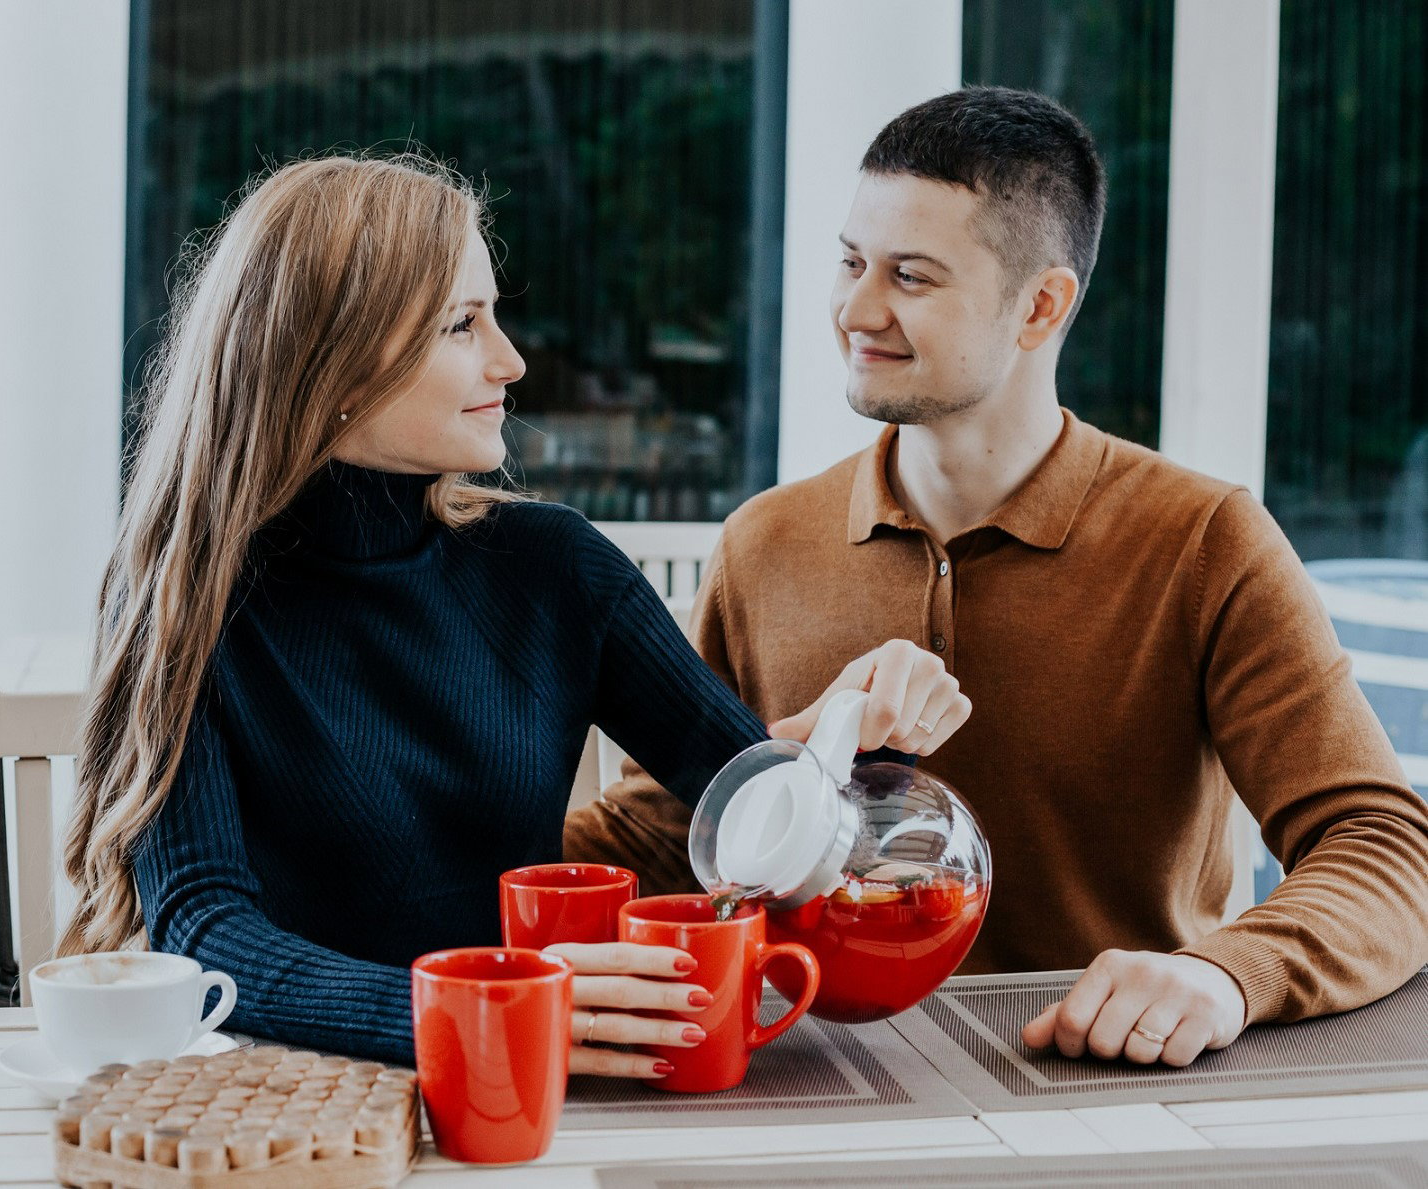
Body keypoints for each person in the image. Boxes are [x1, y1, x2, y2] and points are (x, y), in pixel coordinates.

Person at [566, 87, 1428, 1068]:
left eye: (912, 276)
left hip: (1111, 1080)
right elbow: (642, 848)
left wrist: (1230, 972)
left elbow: (1383, 843)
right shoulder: (763, 542)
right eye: (849, 262)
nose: (855, 309)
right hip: (799, 1071)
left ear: (1042, 305)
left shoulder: (1205, 540)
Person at [58, 154, 965, 1069]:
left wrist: (848, 746)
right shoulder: (182, 599)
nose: (512, 359)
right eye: (462, 323)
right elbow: (207, 934)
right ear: (329, 367)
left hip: (522, 1097)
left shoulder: (555, 568)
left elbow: (755, 804)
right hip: (288, 1104)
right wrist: (481, 1010)